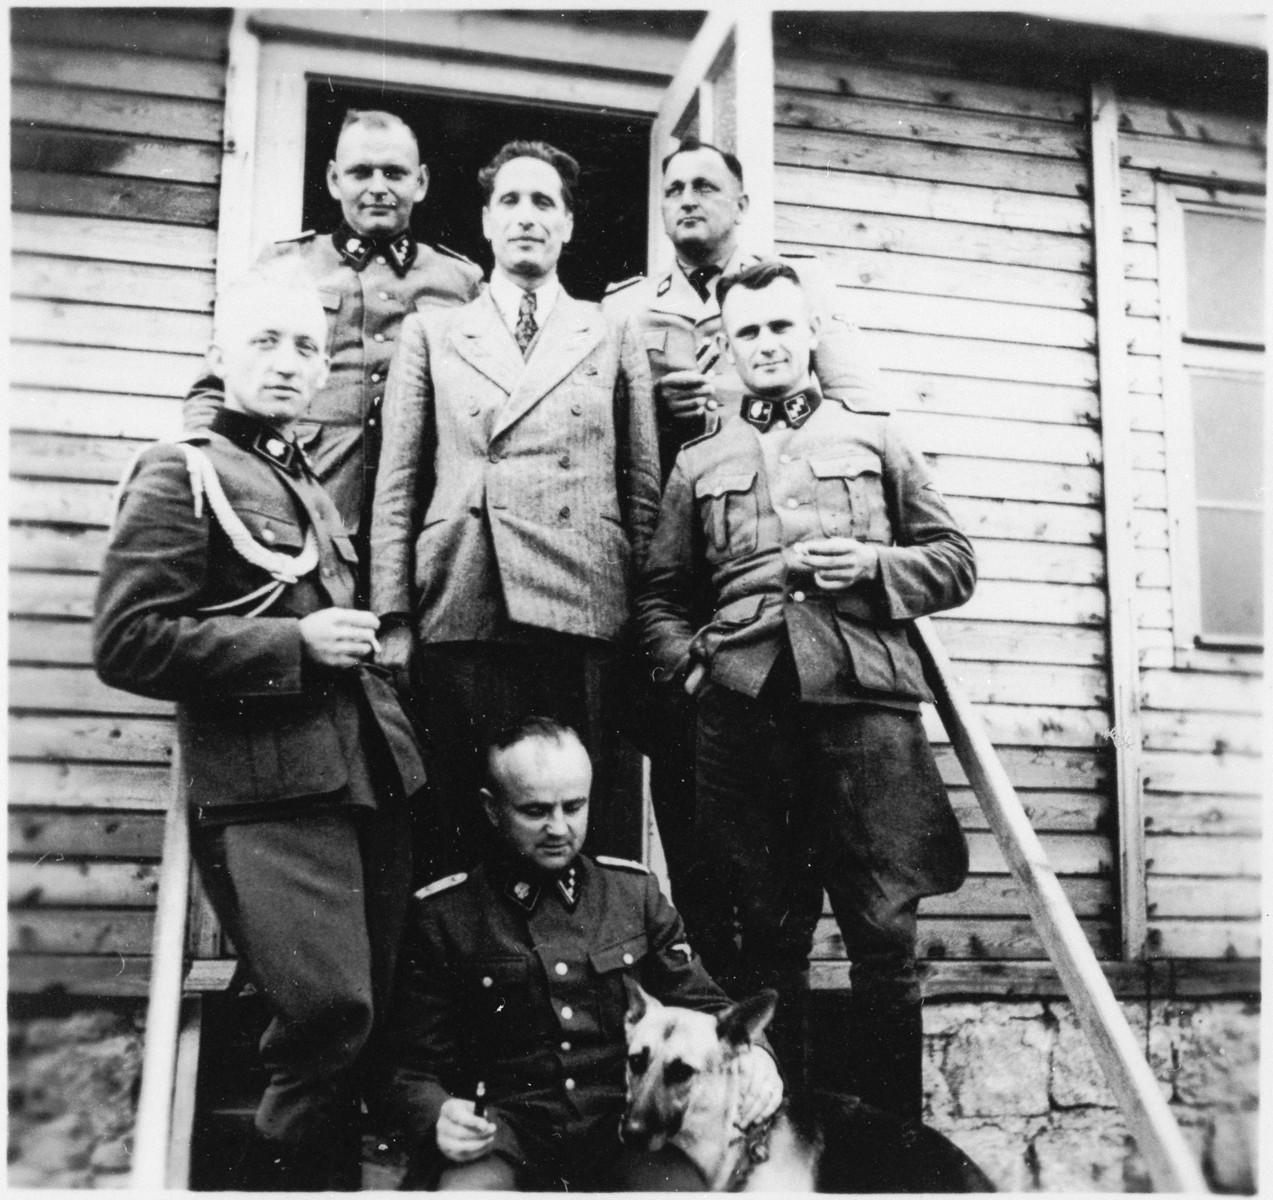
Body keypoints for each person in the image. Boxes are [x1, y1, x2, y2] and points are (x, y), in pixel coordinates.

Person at [93, 263, 428, 1190]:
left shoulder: (297, 474)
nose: (287, 362)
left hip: (365, 776)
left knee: (364, 1022)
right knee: (328, 1012)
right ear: (220, 354)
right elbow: (127, 642)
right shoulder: (182, 469)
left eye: (306, 347)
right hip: (269, 785)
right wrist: (295, 643)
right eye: (265, 342)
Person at [638, 260, 975, 1125]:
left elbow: (953, 562)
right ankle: (775, 1142)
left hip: (862, 708)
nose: (766, 344)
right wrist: (692, 667)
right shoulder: (699, 461)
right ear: (728, 345)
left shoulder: (874, 437)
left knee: (883, 937)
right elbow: (661, 596)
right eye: (747, 331)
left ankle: (894, 1149)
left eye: (781, 326)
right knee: (765, 940)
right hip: (744, 713)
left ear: (811, 332)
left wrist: (871, 564)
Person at [602, 137, 885, 920]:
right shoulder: (625, 307)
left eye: (705, 186)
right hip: (669, 573)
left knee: (783, 814)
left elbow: (860, 408)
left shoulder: (792, 292)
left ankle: (768, 970)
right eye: (673, 189)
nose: (687, 200)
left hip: (766, 572)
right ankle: (703, 959)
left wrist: (728, 405)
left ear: (742, 204)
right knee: (689, 788)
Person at [370, 140, 660, 879]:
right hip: (466, 593)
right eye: (510, 201)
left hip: (584, 603)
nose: (526, 216)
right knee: (466, 821)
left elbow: (641, 484)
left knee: (576, 823)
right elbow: (398, 483)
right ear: (486, 222)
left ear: (568, 224)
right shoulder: (433, 331)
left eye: (543, 202)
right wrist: (394, 617)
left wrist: (647, 614)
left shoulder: (610, 329)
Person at [385, 717, 783, 1190]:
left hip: (621, 1131)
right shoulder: (446, 915)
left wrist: (760, 1058)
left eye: (573, 807)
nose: (559, 828)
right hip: (501, 1133)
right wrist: (438, 1115)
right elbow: (411, 1067)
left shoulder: (634, 895)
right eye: (535, 811)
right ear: (492, 809)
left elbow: (708, 1006)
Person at [184, 109, 483, 600]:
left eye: (395, 173)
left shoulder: (460, 281)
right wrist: (223, 479)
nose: (378, 187)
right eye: (361, 172)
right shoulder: (287, 265)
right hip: (304, 502)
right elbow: (212, 390)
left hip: (424, 514)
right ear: (332, 179)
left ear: (422, 182)